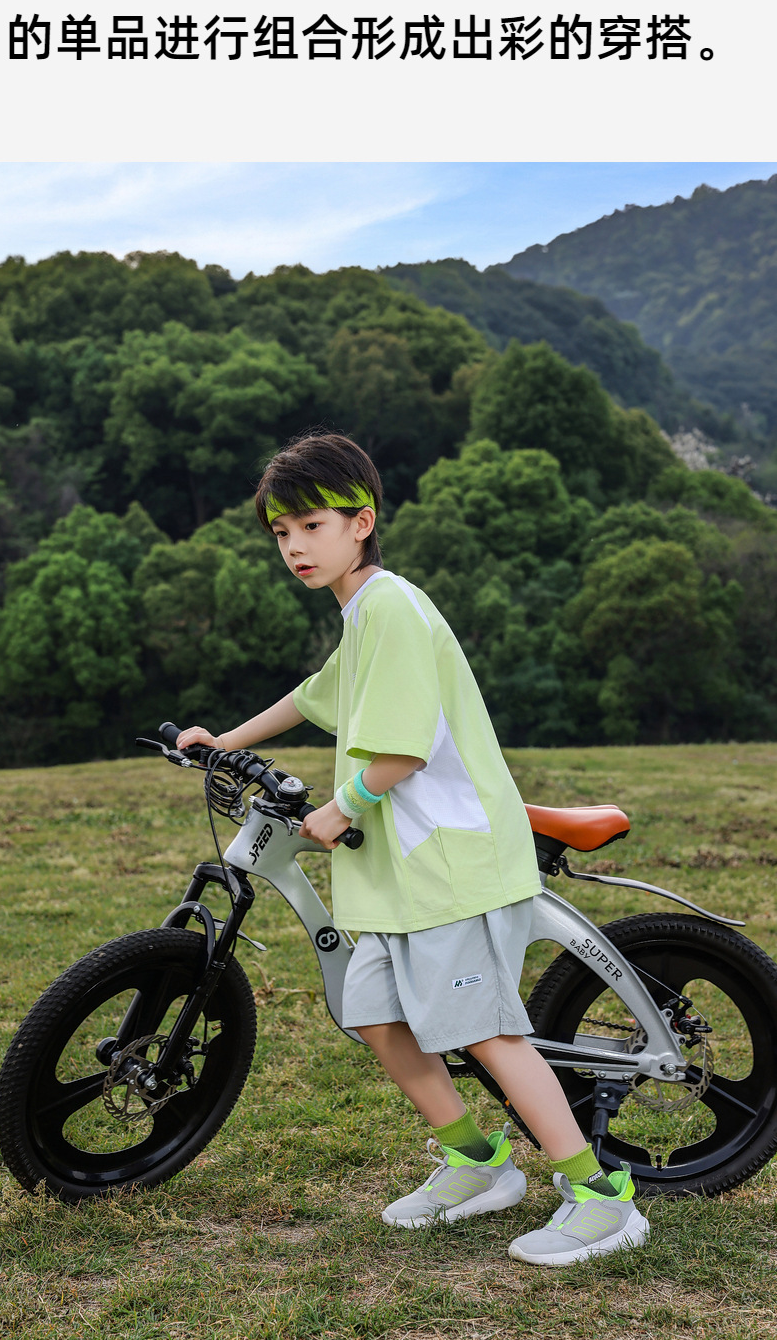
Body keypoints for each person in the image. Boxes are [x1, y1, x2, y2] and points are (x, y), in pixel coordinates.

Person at [177, 432, 649, 1266]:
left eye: (312, 525)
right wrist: (222, 741)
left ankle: (603, 1197)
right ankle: (478, 1163)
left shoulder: (392, 605)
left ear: (361, 522)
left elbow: (403, 752)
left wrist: (343, 805)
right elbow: (313, 695)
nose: (294, 546)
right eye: (281, 532)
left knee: (487, 1033)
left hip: (449, 867)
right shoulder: (361, 614)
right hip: (401, 875)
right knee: (374, 1012)